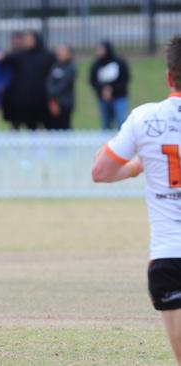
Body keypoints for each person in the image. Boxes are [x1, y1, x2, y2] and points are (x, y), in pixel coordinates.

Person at [92, 35, 181, 365]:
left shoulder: (145, 118)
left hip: (169, 257)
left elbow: (101, 171)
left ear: (169, 77)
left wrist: (136, 167)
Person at [0, 30, 55, 130]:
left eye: (30, 40)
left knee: (44, 126)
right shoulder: (20, 55)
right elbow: (6, 59)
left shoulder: (47, 56)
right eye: (26, 40)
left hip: (42, 99)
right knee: (25, 126)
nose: (27, 42)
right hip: (25, 101)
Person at [89, 40, 130, 130]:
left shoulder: (119, 62)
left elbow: (125, 79)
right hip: (103, 99)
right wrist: (103, 90)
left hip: (119, 97)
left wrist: (112, 90)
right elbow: (92, 80)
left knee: (120, 121)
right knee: (105, 123)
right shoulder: (97, 64)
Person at [46, 44, 76, 130]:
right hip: (53, 102)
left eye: (63, 52)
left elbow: (64, 84)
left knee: (64, 127)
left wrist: (53, 94)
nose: (60, 54)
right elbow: (49, 82)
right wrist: (52, 99)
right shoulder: (54, 66)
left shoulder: (70, 67)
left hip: (65, 103)